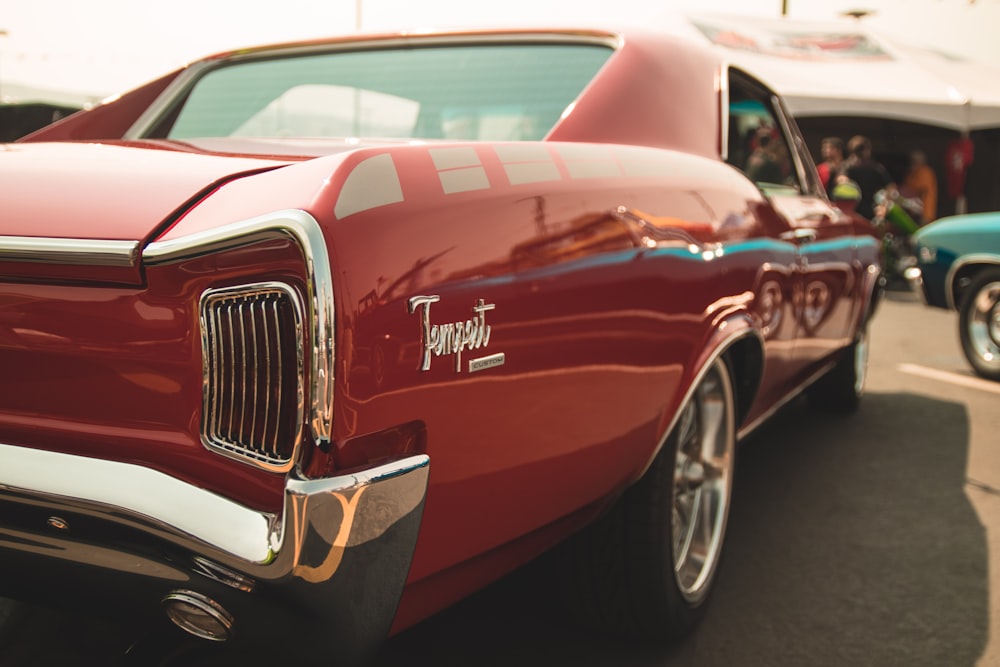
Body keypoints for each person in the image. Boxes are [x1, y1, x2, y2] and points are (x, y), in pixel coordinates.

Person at [843, 135, 895, 220]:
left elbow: (841, 182)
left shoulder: (846, 167)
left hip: (850, 212)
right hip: (869, 212)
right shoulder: (876, 168)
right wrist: (883, 206)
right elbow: (891, 188)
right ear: (867, 150)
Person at [902, 150, 938, 223]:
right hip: (913, 212)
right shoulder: (911, 173)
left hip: (925, 211)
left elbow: (921, 188)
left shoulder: (926, 171)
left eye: (914, 160)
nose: (912, 163)